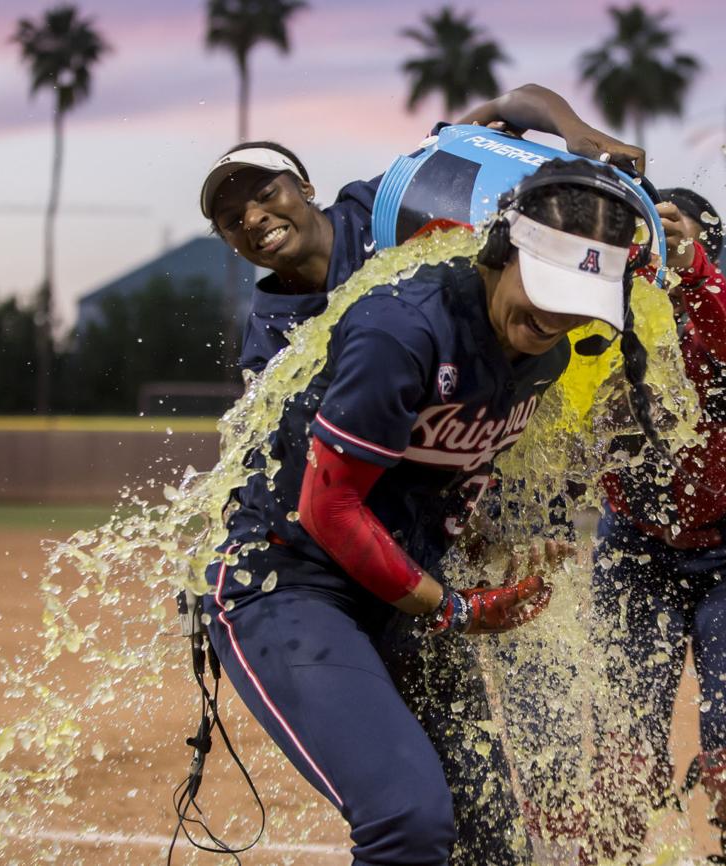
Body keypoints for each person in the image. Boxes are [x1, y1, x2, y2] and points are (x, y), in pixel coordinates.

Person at [201, 157, 653, 866]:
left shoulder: (546, 354)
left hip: (400, 590)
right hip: (288, 583)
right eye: (546, 288)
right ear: (501, 252)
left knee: (492, 844)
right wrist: (454, 609)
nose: (556, 315)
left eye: (579, 300)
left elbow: (473, 469)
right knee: (407, 820)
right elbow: (330, 508)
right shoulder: (402, 329)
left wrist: (521, 533)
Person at [586, 187, 726, 866]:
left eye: (676, 235)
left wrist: (689, 264)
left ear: (707, 246)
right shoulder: (597, 329)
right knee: (620, 764)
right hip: (632, 554)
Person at [198, 83, 645, 375]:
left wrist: (577, 132)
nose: (253, 219)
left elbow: (510, 104)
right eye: (233, 222)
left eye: (265, 195)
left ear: (305, 187)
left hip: (510, 377)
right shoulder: (270, 333)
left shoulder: (391, 201)